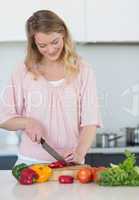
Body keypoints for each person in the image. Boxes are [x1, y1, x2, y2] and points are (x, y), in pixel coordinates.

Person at [0, 10, 102, 165]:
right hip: (30, 162)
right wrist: (27, 122)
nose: (50, 49)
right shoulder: (23, 70)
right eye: (42, 45)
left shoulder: (82, 69)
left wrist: (80, 152)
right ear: (34, 43)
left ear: (64, 35)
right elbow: (4, 118)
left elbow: (90, 120)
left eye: (55, 42)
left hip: (71, 163)